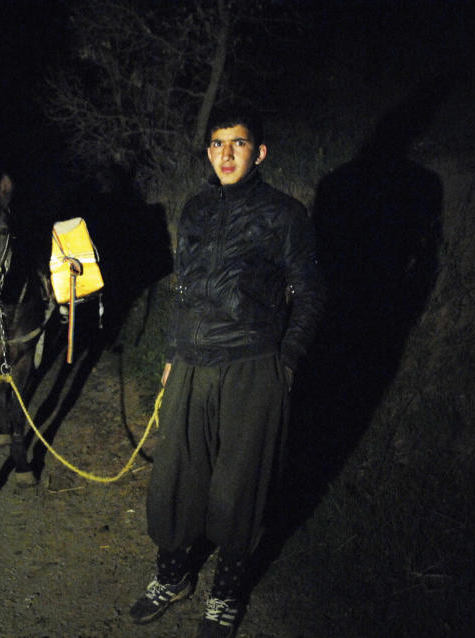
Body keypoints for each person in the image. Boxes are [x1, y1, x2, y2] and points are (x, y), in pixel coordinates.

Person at [129, 106, 325, 637]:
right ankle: (172, 577)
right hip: (192, 363)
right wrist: (172, 353)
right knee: (176, 476)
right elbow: (184, 288)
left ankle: (225, 593)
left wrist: (284, 364)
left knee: (242, 486)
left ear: (258, 152)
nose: (226, 154)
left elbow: (309, 294)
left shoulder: (286, 215)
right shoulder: (193, 210)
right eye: (217, 144)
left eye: (237, 144)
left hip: (252, 365)